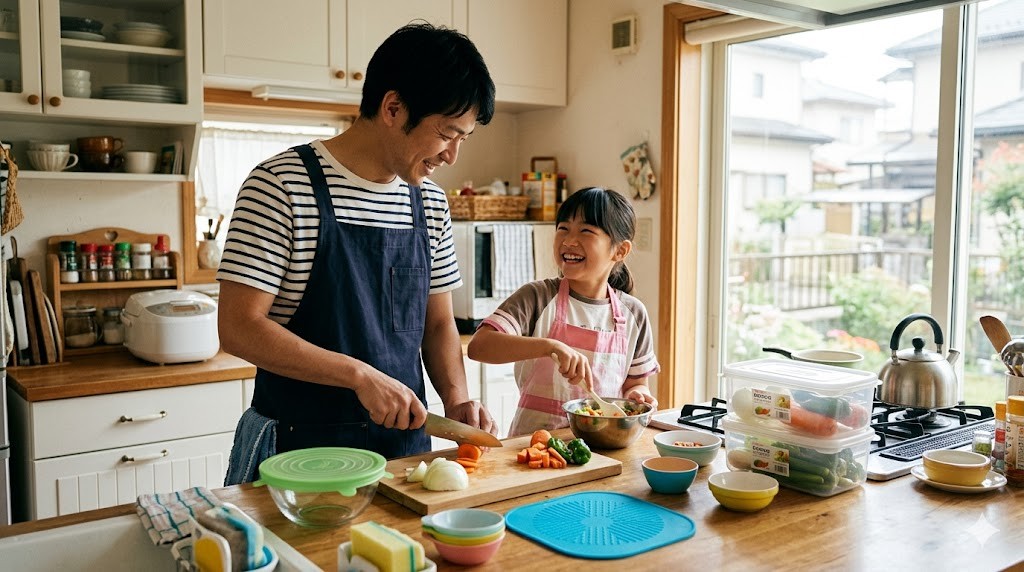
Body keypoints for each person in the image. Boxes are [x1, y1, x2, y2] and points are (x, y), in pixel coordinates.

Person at [218, 23, 498, 485]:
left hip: (405, 459)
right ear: (393, 108)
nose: (452, 156)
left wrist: (457, 400)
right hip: (298, 455)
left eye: (463, 139)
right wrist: (359, 376)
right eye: (448, 134)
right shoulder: (281, 185)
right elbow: (238, 327)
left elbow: (438, 323)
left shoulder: (429, 203)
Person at [467, 187, 660, 436]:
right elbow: (479, 346)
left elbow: (637, 383)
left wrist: (639, 396)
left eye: (586, 231)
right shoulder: (537, 297)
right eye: (563, 229)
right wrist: (549, 347)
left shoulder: (633, 313)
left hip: (602, 449)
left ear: (619, 250)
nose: (569, 241)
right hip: (534, 448)